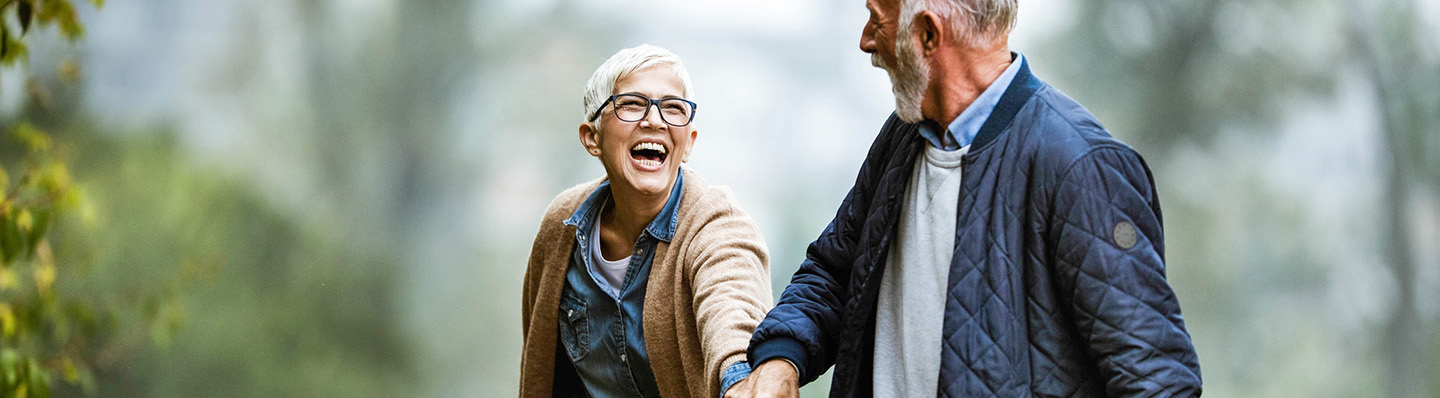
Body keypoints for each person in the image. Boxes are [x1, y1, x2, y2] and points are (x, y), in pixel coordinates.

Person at [726, 0, 1202, 396]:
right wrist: (780, 359)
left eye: (877, 18)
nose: (866, 40)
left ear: (928, 35)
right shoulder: (902, 137)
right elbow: (836, 272)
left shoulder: (1080, 166)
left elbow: (1156, 382)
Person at [519, 44, 773, 398]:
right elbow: (540, 362)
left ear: (688, 144)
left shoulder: (718, 227)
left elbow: (733, 310)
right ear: (592, 138)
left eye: (672, 108)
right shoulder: (562, 227)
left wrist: (741, 379)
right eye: (632, 104)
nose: (655, 120)